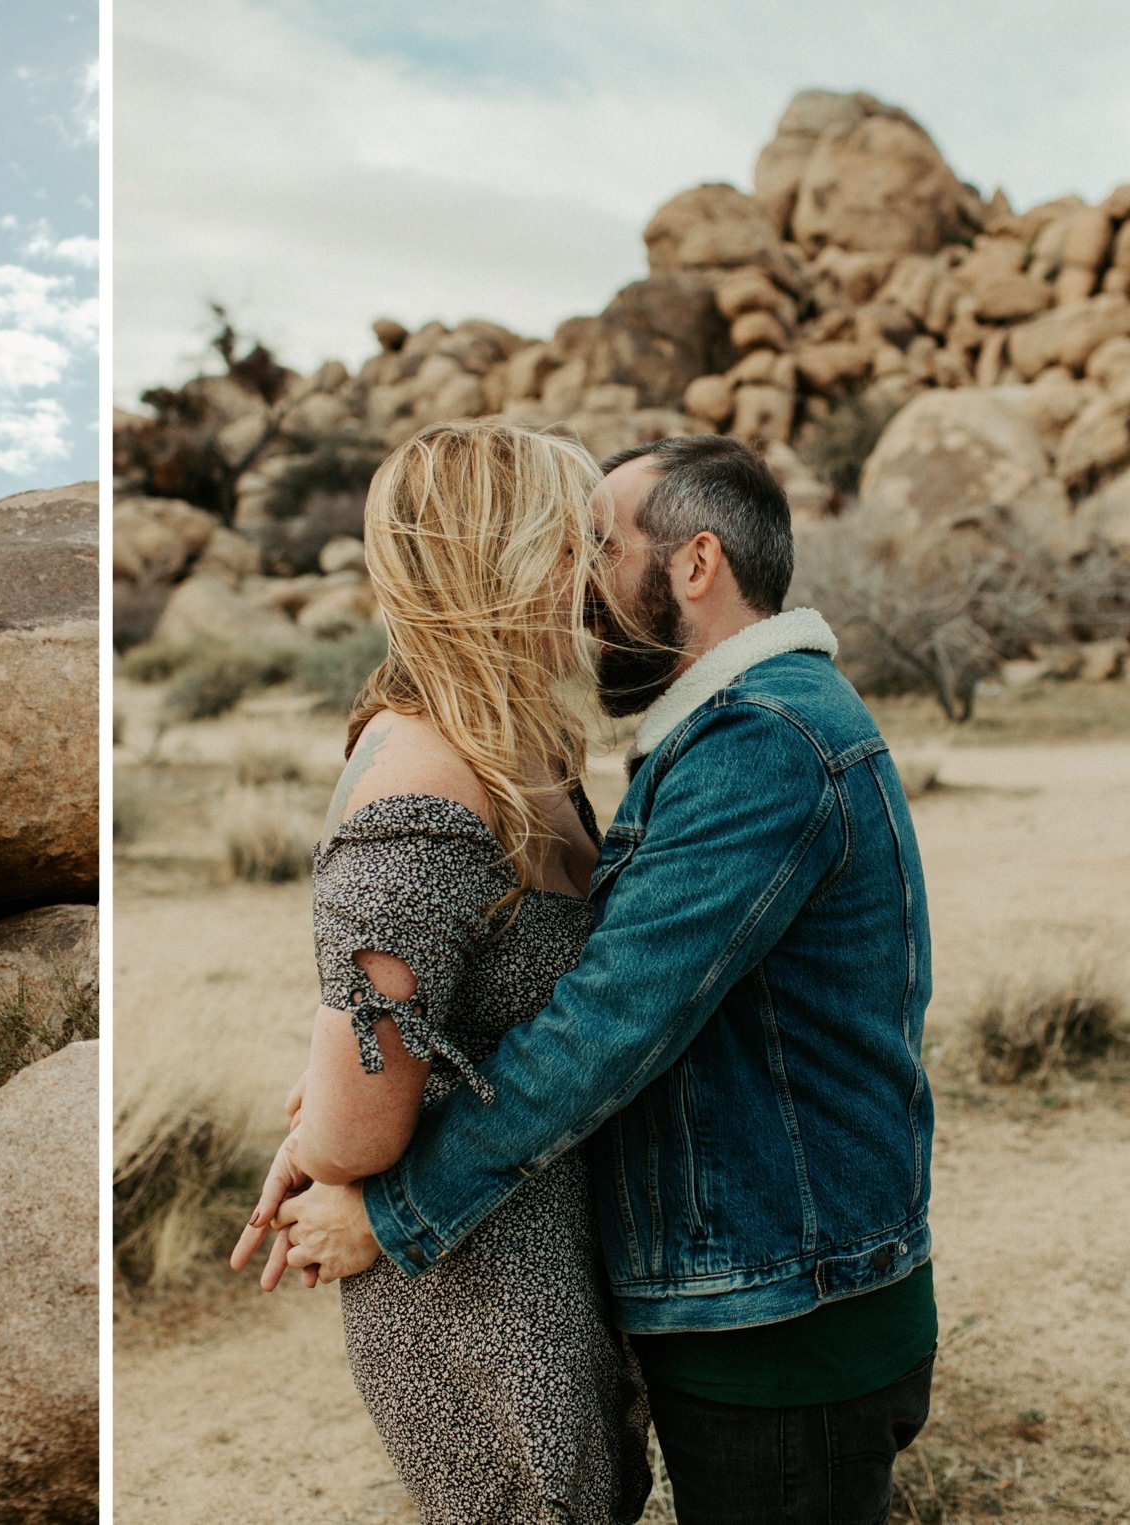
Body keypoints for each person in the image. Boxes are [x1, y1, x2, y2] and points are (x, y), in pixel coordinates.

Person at [258, 434, 938, 1524]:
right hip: (667, 1290)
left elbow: (604, 1024)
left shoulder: (752, 741)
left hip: (777, 1303)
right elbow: (429, 1002)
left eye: (599, 546)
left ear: (694, 566)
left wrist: (391, 1207)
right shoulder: (703, 737)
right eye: (562, 546)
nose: (580, 586)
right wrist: (334, 1094)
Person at [232, 420, 652, 1521]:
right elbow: (359, 1133)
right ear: (503, 561)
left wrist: (321, 1110)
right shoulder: (419, 794)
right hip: (474, 1293)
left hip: (548, 1239)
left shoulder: (531, 754)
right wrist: (313, 1137)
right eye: (577, 542)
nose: (595, 574)